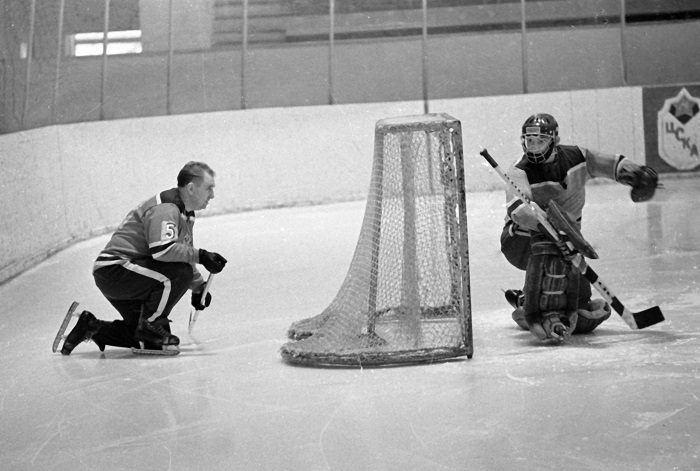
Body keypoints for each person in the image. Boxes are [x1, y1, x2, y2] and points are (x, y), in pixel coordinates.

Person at [500, 113, 659, 342]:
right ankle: (532, 304)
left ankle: (525, 299)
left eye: (540, 141)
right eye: (529, 141)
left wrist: (635, 174)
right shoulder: (519, 170)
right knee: (551, 263)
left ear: (555, 140)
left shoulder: (578, 157)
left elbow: (611, 164)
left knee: (580, 305)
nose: (533, 147)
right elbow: (520, 211)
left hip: (566, 241)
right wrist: (552, 231)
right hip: (521, 241)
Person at [60, 161, 228, 355]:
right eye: (209, 188)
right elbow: (163, 251)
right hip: (116, 270)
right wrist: (202, 256)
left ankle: (92, 327)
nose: (212, 195)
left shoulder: (186, 214)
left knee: (155, 344)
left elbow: (181, 253)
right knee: (180, 274)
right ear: (191, 188)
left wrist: (198, 287)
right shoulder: (167, 208)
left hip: (126, 273)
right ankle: (150, 323)